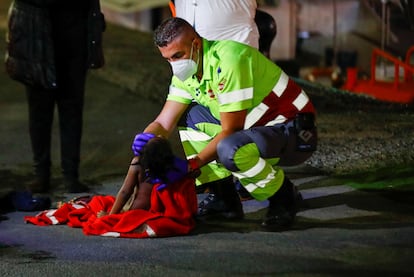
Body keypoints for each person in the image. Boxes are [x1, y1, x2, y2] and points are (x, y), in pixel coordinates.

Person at [131, 18, 317, 229]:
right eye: (168, 59)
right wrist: (146, 139)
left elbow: (230, 130)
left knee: (231, 149)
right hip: (256, 128)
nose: (175, 65)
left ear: (196, 44)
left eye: (178, 56)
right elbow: (164, 122)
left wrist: (191, 165)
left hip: (294, 131)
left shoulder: (229, 60)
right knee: (190, 117)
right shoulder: (187, 73)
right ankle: (224, 199)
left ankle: (282, 196)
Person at [5, 0, 105, 193]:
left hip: (74, 41)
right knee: (40, 111)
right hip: (37, 41)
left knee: (72, 110)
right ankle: (41, 175)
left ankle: (70, 176)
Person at [97, 136, 195, 218]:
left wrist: (110, 216)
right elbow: (195, 173)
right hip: (160, 210)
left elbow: (125, 192)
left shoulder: (138, 163)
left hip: (137, 209)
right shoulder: (172, 165)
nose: (159, 135)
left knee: (99, 204)